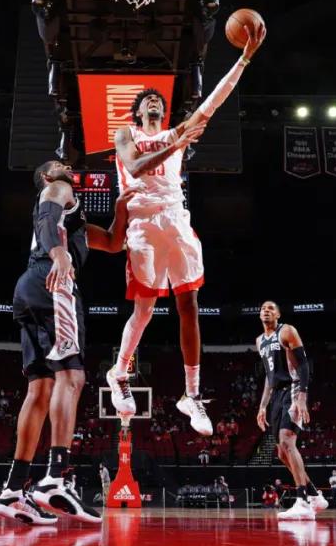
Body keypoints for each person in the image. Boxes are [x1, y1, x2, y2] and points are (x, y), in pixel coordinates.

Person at [107, 22, 267, 436]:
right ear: (139, 112)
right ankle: (119, 372)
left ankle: (191, 395)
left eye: (159, 100)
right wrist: (177, 144)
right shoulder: (125, 135)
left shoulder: (176, 132)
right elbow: (135, 167)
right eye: (149, 101)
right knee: (144, 310)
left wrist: (244, 59)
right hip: (143, 223)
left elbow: (213, 101)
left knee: (189, 305)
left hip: (175, 219)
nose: (155, 102)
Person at [0, 162, 133, 525]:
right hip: (52, 280)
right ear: (45, 176)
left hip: (29, 288)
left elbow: (113, 243)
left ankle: (12, 491)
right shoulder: (56, 188)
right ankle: (55, 478)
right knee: (72, 378)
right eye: (59, 165)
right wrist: (59, 254)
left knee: (40, 389)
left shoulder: (77, 223)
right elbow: (46, 216)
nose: (67, 167)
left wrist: (121, 206)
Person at [254, 301, 326, 520]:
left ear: (277, 314)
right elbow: (269, 377)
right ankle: (314, 496)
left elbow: (303, 365)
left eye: (270, 308)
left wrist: (302, 397)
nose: (266, 311)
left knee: (287, 441)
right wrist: (262, 406)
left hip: (293, 389)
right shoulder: (259, 341)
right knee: (281, 452)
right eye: (263, 309)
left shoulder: (286, 331)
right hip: (276, 394)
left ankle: (302, 501)